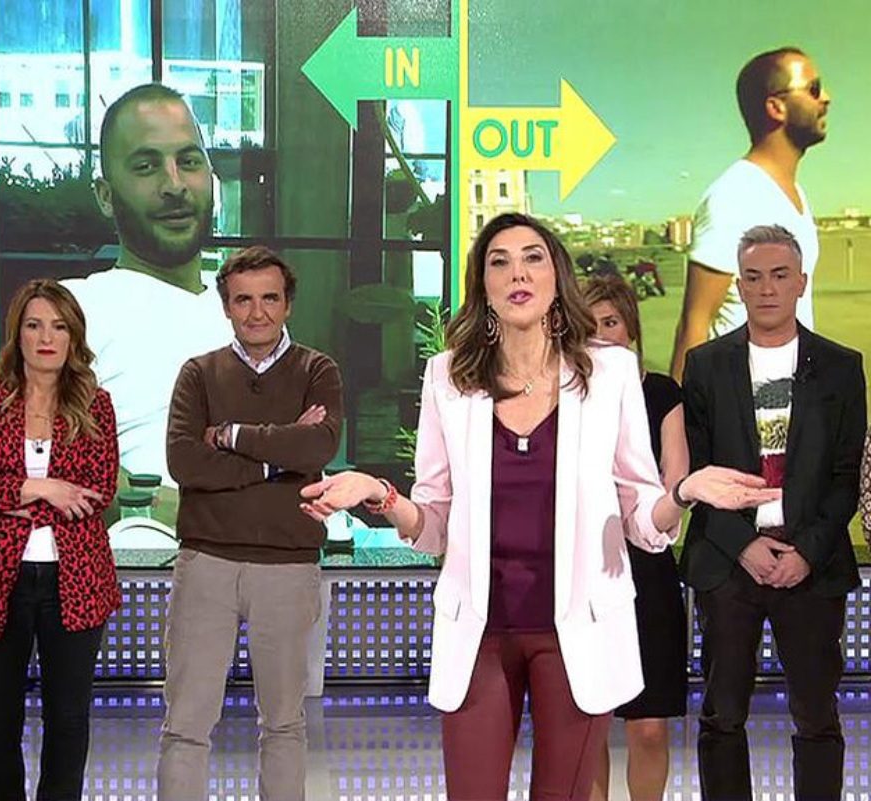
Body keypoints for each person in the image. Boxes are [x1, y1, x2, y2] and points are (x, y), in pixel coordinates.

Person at [299, 213, 775, 801]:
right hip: (479, 631)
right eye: (499, 262)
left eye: (533, 258)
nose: (517, 273)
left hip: (577, 630)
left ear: (556, 277)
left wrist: (682, 494)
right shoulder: (449, 377)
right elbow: (434, 524)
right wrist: (380, 494)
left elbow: (639, 518)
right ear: (483, 284)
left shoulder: (609, 373)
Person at [680, 225, 866, 801]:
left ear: (801, 282)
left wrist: (806, 551)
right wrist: (743, 545)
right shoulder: (706, 365)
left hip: (811, 565)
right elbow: (697, 473)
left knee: (817, 716)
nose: (767, 289)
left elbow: (846, 477)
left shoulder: (841, 366)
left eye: (780, 276)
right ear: (739, 286)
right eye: (754, 277)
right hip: (728, 562)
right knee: (722, 715)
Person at [157, 246, 343, 801]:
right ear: (226, 307)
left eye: (269, 298)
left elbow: (317, 447)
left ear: (288, 304)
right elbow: (185, 462)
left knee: (284, 722)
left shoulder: (317, 370)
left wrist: (231, 435)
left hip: (287, 568)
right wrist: (275, 459)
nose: (257, 312)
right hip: (206, 564)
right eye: (243, 300)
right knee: (186, 724)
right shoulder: (198, 374)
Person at [0, 279, 120, 801]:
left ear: (73, 337)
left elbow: (96, 492)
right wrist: (42, 487)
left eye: (58, 327)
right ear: (17, 334)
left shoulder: (96, 404)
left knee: (68, 719)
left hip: (76, 579)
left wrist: (2, 493)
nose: (46, 338)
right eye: (34, 325)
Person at [63, 83, 233, 533]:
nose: (174, 185)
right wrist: (166, 508)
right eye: (146, 166)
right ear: (105, 195)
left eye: (189, 162)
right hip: (140, 561)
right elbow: (38, 457)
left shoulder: (248, 312)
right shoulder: (74, 310)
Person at [582, 275, 689, 801]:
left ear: (631, 329)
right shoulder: (564, 398)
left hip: (648, 568)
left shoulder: (662, 393)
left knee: (648, 726)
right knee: (589, 724)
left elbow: (675, 480)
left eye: (610, 323)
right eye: (588, 325)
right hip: (582, 571)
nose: (600, 336)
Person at [670, 47, 830, 381]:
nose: (826, 98)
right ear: (776, 107)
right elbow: (694, 324)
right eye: (813, 89)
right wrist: (679, 411)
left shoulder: (796, 194)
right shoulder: (735, 195)